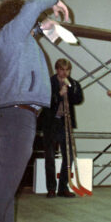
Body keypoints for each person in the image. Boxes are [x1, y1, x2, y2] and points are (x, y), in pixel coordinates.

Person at [0, 0, 69, 222]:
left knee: (2, 180)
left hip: (17, 113)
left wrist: (51, 22)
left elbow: (40, 27)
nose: (34, 23)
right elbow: (32, 7)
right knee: (6, 181)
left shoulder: (17, 39)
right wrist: (55, 1)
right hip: (17, 114)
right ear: (17, 17)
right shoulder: (11, 35)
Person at [40, 58, 83, 198]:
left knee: (68, 156)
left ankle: (63, 187)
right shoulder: (48, 82)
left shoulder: (74, 83)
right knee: (50, 157)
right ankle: (51, 188)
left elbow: (78, 99)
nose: (65, 73)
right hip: (51, 124)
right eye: (62, 69)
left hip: (66, 124)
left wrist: (68, 89)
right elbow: (45, 101)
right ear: (57, 69)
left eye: (67, 70)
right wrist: (59, 95)